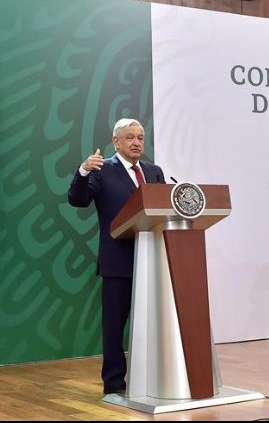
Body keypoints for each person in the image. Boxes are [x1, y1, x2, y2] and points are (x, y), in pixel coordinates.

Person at [68, 118, 166, 394]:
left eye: (140, 138)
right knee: (114, 326)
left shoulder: (154, 171)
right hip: (118, 260)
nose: (136, 143)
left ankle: (155, 378)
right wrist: (83, 171)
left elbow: (162, 207)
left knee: (155, 323)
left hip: (152, 259)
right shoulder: (102, 170)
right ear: (116, 141)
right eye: (130, 137)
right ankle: (114, 383)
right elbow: (78, 199)